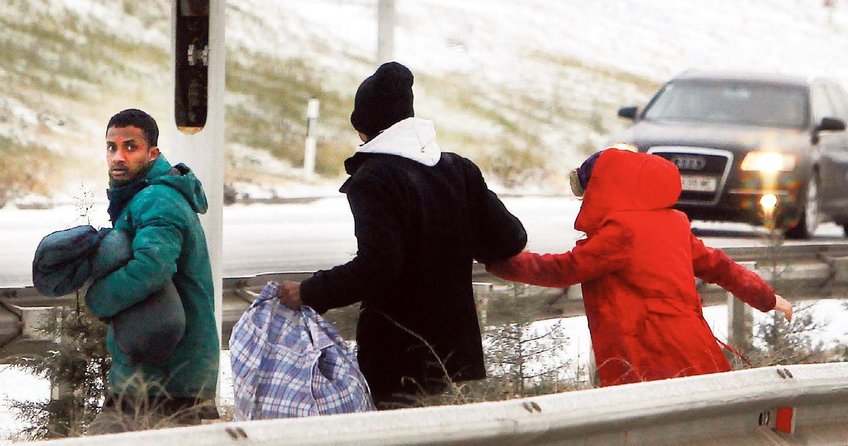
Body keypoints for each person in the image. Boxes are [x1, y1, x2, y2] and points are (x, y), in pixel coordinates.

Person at [277, 62, 528, 408]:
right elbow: (510, 239)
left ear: (367, 127)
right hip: (454, 352)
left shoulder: (374, 180)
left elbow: (379, 265)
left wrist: (309, 291)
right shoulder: (458, 169)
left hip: (395, 353)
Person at [486, 148, 793, 387]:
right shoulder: (673, 223)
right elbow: (720, 266)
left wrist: (499, 260)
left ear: (604, 188)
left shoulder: (621, 232)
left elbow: (563, 270)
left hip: (649, 354)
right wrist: (766, 298)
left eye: (585, 189)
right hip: (693, 346)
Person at [84, 109, 219, 433]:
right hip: (157, 371)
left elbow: (151, 266)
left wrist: (99, 300)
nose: (118, 157)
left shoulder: (158, 199)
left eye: (131, 147)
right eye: (111, 147)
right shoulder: (142, 196)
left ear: (152, 153)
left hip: (169, 376)